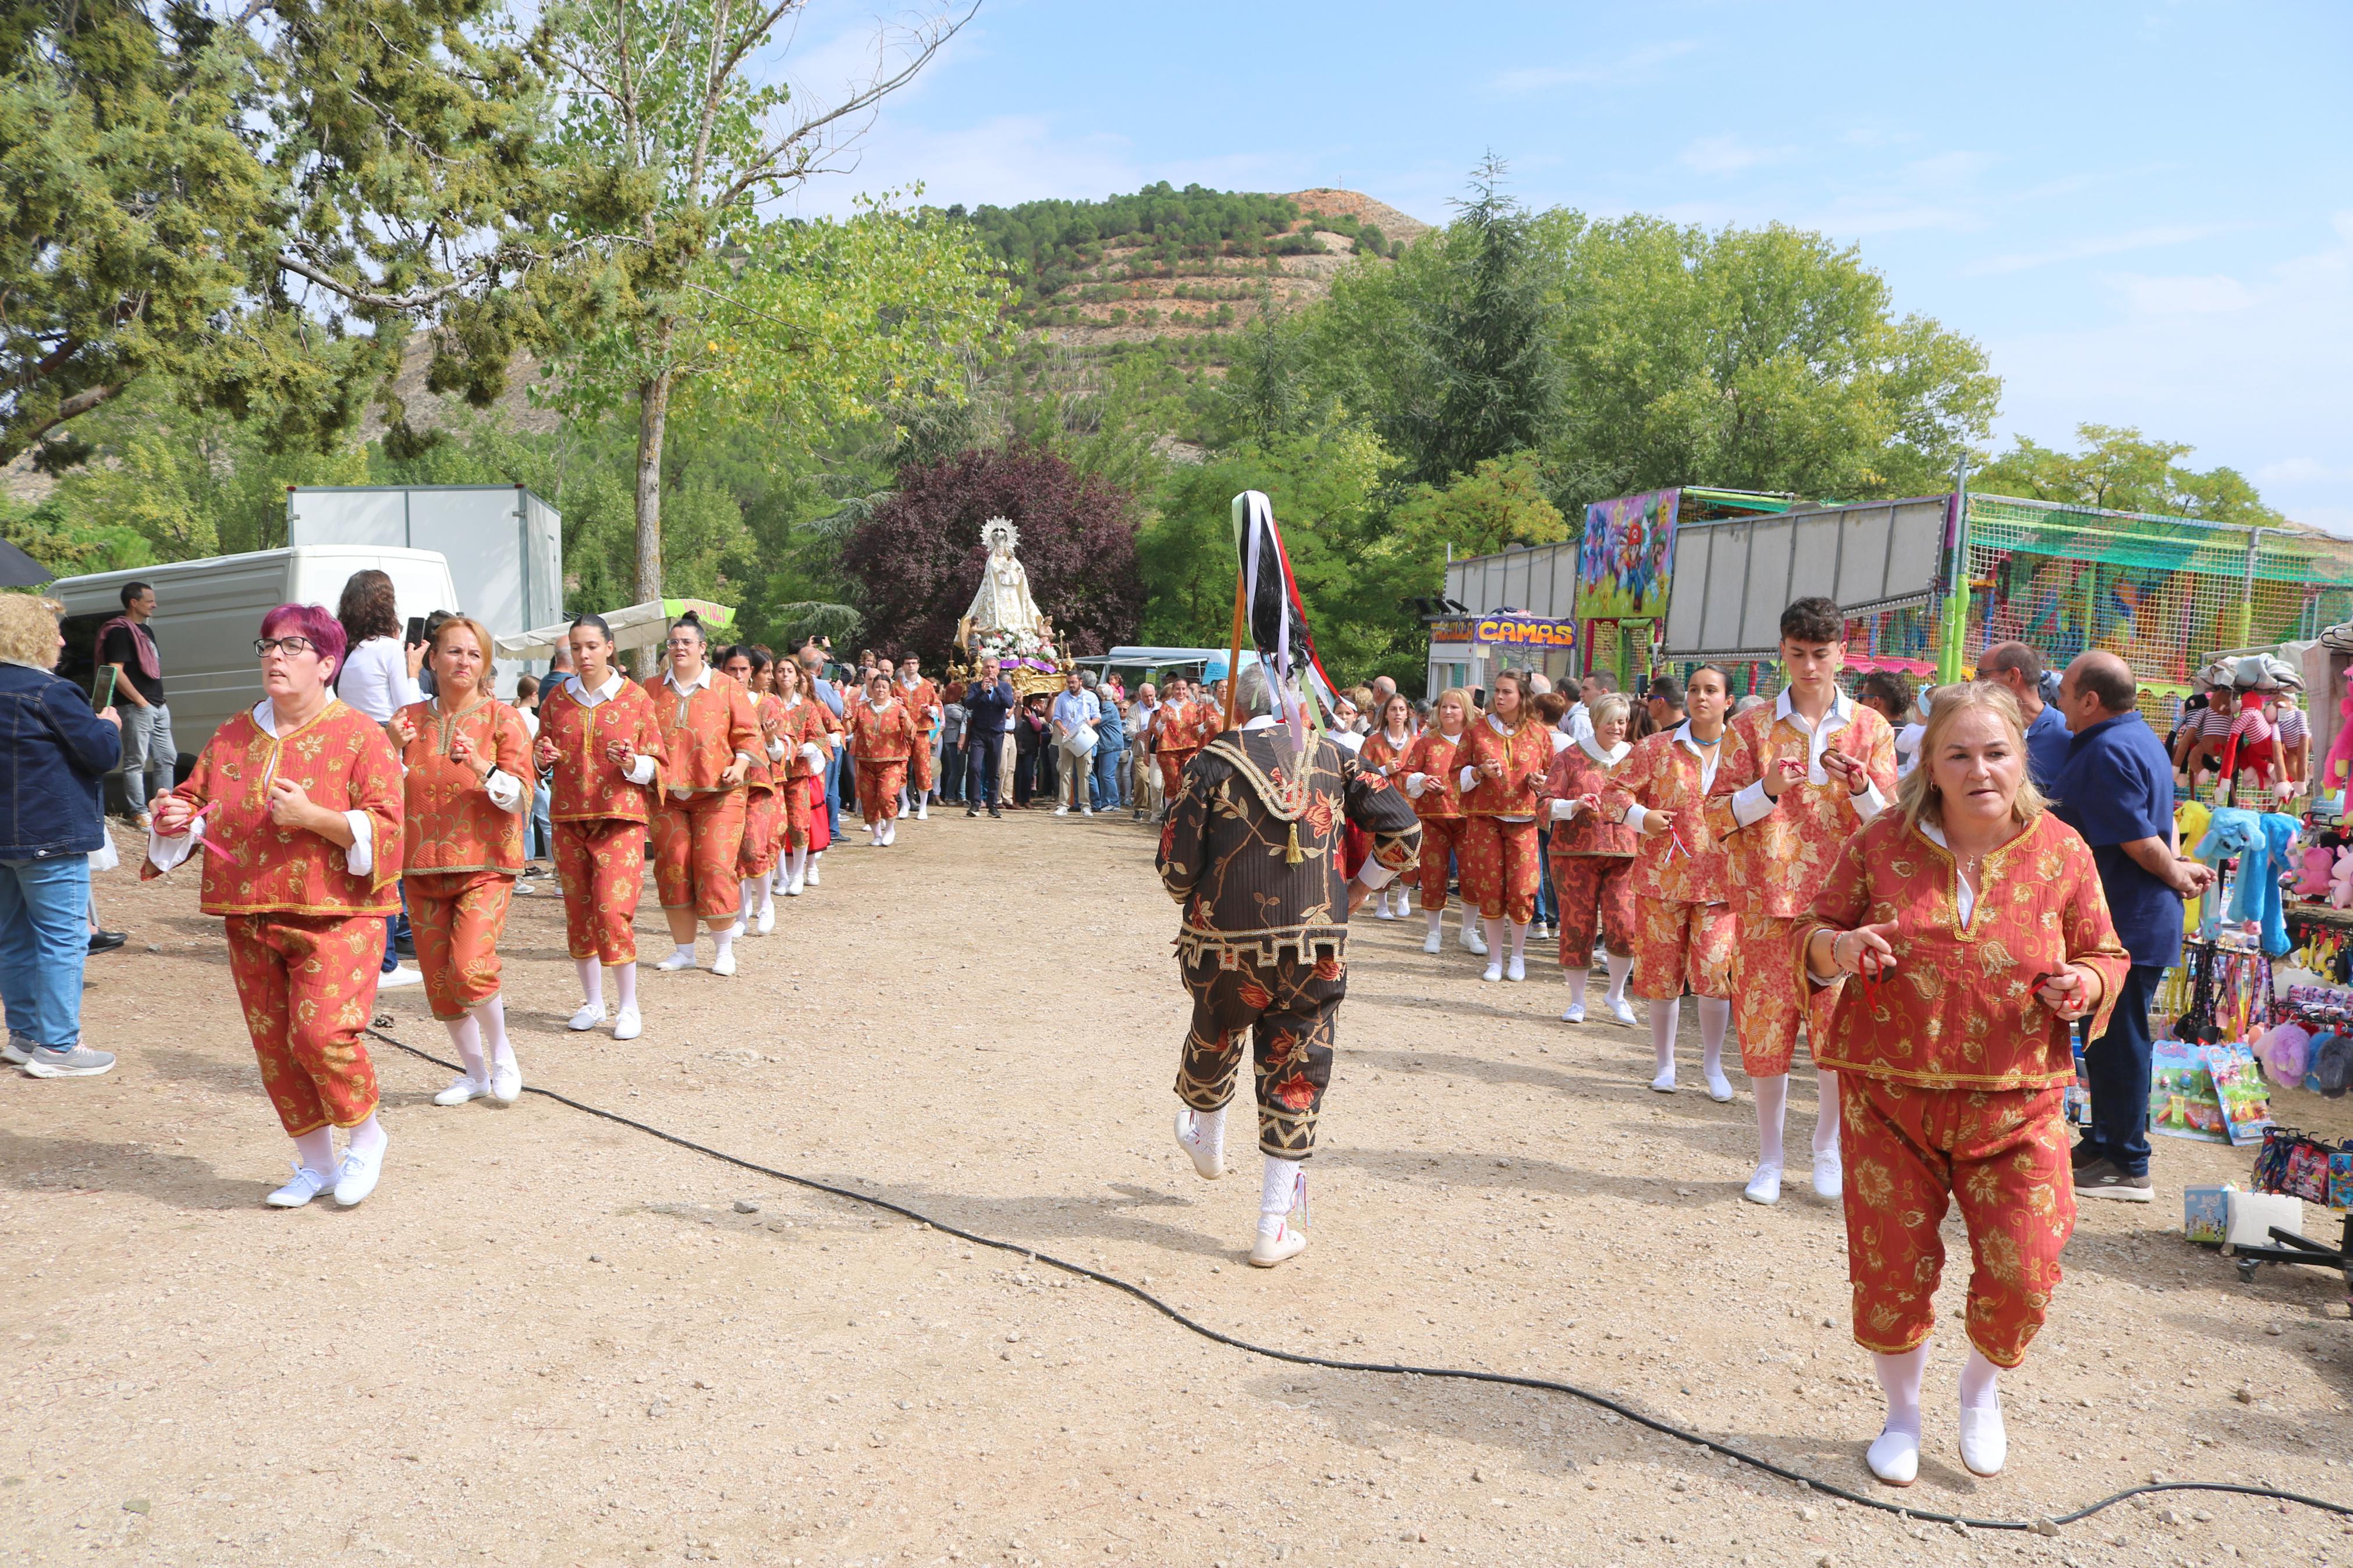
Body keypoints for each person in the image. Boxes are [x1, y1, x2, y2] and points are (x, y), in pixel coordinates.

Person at [1796, 681, 2129, 1486]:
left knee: (2024, 1267)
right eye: (1958, 754)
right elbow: (1811, 934)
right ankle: (1900, 1414)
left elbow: (2105, 952)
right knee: (1888, 1266)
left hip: (2018, 1101)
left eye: (1995, 751)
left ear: (2021, 758)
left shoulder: (2062, 851)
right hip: (1887, 1097)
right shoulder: (1879, 840)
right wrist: (1838, 953)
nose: (1979, 768)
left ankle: (1978, 1389)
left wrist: (2082, 985)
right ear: (1930, 767)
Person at [1159, 660, 1422, 1266]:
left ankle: (1205, 1131)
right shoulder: (1335, 757)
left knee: (1217, 1026)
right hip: (1314, 946)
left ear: (1236, 701)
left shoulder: (1208, 760)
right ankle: (1271, 1225)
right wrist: (1360, 886)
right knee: (1297, 1068)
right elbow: (1403, 832)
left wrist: (1199, 894)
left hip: (1226, 942)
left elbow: (1175, 872)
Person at [145, 603, 404, 1207]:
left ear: (327, 663)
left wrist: (317, 818)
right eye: (266, 647)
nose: (274, 657)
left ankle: (366, 1137)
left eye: (290, 647)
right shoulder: (235, 732)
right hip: (250, 912)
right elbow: (193, 802)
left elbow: (391, 828)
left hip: (340, 913)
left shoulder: (362, 735)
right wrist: (173, 815)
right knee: (275, 1047)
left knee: (319, 1035)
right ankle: (317, 1165)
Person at [1705, 596, 1898, 1208]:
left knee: (1838, 1036)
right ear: (1781, 652)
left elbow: (1891, 823)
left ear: (1841, 653)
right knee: (1764, 1032)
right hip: (1766, 903)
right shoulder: (1749, 727)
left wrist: (1861, 785)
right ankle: (1768, 1156)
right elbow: (1714, 815)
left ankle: (1826, 1148)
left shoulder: (1870, 728)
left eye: (1820, 654)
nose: (1809, 666)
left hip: (1844, 907)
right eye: (1797, 654)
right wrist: (1765, 790)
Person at [2051, 649, 2215, 1201]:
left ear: (2090, 700)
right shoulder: (2137, 736)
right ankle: (2102, 1141)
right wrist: (2180, 869)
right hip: (2126, 917)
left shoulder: (2109, 749)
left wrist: (2177, 876)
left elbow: (2141, 840)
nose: (2060, 700)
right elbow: (2158, 822)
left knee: (2118, 1042)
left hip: (2126, 921)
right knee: (2102, 1040)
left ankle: (2126, 1160)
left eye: (2067, 691)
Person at [388, 617, 533, 1106]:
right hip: (421, 864)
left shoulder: (503, 719)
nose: (462, 662)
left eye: (473, 654)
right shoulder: (406, 719)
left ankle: (503, 1055)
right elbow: (382, 789)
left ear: (485, 665)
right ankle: (472, 1073)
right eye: (453, 652)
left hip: (485, 863)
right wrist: (390, 748)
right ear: (432, 659)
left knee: (470, 967)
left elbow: (519, 797)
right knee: (440, 980)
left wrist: (479, 765)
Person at [1, 593, 121, 1078]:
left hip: (5, 838)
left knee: (13, 938)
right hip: (50, 834)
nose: (62, 639)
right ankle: (58, 1047)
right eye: (53, 630)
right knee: (63, 939)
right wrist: (108, 726)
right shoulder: (52, 692)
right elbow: (99, 754)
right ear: (31, 635)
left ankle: (24, 1036)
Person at [1603, 662, 1736, 1100]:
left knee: (1715, 975)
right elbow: (1613, 791)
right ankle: (1665, 1063)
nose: (1701, 697)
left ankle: (1713, 1065)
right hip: (1663, 879)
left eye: (1711, 690)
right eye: (1695, 689)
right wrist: (1641, 817)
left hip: (1722, 884)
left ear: (1727, 700)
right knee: (1661, 976)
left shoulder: (1745, 751)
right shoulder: (1657, 747)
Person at [535, 614, 664, 1040]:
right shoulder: (556, 699)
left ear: (610, 647)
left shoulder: (636, 699)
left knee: (611, 909)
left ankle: (628, 1006)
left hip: (620, 817)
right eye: (577, 647)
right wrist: (542, 759)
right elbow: (541, 751)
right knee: (579, 913)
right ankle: (592, 1001)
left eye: (591, 646)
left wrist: (632, 764)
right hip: (569, 817)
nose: (584, 654)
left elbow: (657, 763)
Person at [646, 613, 759, 976]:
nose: (679, 648)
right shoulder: (650, 688)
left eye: (686, 642)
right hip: (666, 795)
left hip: (719, 793)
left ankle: (724, 950)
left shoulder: (727, 687)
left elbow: (748, 733)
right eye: (673, 642)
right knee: (673, 867)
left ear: (702, 648)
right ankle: (684, 951)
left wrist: (741, 765)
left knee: (713, 866)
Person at [333, 568, 428, 989]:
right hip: (386, 748)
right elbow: (411, 710)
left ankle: (376, 952)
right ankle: (387, 960)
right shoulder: (391, 650)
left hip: (354, 749)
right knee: (390, 856)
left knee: (368, 853)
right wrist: (413, 669)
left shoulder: (352, 653)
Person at [1541, 691, 1637, 1025]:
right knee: (1577, 924)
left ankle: (1617, 994)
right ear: (1596, 721)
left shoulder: (1636, 757)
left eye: (1623, 722)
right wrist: (1574, 805)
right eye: (1611, 721)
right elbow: (1544, 804)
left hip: (1626, 854)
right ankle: (1577, 1001)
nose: (1617, 728)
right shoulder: (1569, 757)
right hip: (1574, 854)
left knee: (1624, 925)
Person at [1457, 667, 1553, 982]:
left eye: (1507, 691)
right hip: (1485, 818)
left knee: (1524, 889)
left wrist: (1541, 782)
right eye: (1497, 691)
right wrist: (1479, 771)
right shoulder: (1477, 730)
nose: (1499, 697)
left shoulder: (1539, 733)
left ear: (1522, 696)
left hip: (1524, 820)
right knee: (1490, 886)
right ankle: (1496, 960)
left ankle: (1518, 955)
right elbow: (1456, 774)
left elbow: (1554, 778)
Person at [1401, 688, 1479, 955]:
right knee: (1434, 875)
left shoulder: (1476, 741)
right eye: (1445, 707)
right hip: (1433, 817)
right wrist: (1421, 781)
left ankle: (1469, 930)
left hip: (1469, 818)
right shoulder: (1427, 742)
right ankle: (1434, 931)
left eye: (1455, 708)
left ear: (1465, 711)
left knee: (1471, 875)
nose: (1448, 712)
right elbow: (1408, 773)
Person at [96, 580, 173, 831]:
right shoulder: (120, 632)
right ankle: (139, 812)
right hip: (136, 707)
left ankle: (165, 810)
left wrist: (157, 700)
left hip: (158, 705)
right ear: (134, 602)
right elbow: (115, 671)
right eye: (150, 600)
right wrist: (140, 701)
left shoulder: (146, 631)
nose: (155, 605)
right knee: (135, 761)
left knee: (167, 757)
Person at [719, 645, 785, 935]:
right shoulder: (715, 701)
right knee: (732, 853)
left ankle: (765, 904)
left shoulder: (767, 704)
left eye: (743, 669)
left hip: (757, 785)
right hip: (724, 786)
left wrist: (770, 740)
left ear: (752, 672)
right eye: (731, 669)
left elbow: (780, 751)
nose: (737, 675)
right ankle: (742, 912)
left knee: (753, 846)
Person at [766, 656, 829, 895]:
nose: (784, 675)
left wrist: (809, 748)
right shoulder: (768, 704)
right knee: (777, 827)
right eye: (780, 671)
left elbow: (820, 736)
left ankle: (797, 874)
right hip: (773, 773)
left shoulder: (806, 706)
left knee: (799, 824)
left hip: (798, 773)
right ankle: (782, 877)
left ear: (797, 677)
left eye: (789, 671)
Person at [1978, 642, 2070, 792]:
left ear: (2013, 677)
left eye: (1982, 675)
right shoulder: (1980, 729)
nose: (1975, 682)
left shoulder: (2066, 735)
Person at [1360, 694, 1419, 919]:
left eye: (1401, 709)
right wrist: (1384, 770)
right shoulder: (1373, 742)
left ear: (1407, 713)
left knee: (1411, 848)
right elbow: (1362, 772)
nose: (1397, 713)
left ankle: (1403, 895)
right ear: (1386, 713)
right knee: (1381, 848)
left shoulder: (1416, 742)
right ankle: (1382, 903)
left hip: (1411, 804)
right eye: (1393, 709)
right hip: (1381, 804)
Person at [850, 670, 920, 844]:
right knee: (868, 798)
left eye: (884, 687)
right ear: (872, 689)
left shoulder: (898, 709)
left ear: (890, 690)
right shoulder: (861, 709)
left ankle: (889, 828)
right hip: (866, 760)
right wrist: (845, 719)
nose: (880, 690)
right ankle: (876, 834)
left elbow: (911, 733)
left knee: (886, 795)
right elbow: (849, 729)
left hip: (891, 760)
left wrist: (906, 719)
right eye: (877, 687)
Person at [962, 656, 1014, 819]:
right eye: (987, 667)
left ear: (998, 669)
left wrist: (997, 688)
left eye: (993, 667)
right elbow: (969, 704)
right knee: (975, 767)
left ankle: (993, 805)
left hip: (997, 733)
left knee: (994, 770)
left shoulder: (1005, 687)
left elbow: (1008, 703)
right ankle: (976, 804)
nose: (990, 670)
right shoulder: (975, 687)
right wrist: (982, 692)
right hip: (979, 733)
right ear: (982, 669)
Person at [1154, 676, 1210, 812]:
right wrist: (1163, 720)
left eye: (1183, 689)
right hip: (1168, 750)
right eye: (1178, 689)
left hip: (1189, 749)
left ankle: (1184, 814)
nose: (1181, 692)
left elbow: (1197, 729)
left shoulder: (1193, 707)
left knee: (1188, 782)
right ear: (1173, 690)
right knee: (1172, 783)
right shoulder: (1166, 707)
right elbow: (1156, 732)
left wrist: (1206, 725)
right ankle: (1170, 814)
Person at [1051, 669, 1101, 817]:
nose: (1071, 685)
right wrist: (1062, 728)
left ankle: (1085, 805)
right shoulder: (1062, 697)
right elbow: (1056, 717)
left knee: (1084, 772)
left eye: (1073, 682)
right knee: (1065, 771)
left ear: (1081, 681)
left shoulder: (1091, 697)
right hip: (1067, 738)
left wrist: (1091, 723)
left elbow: (1098, 716)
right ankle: (1063, 805)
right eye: (1069, 683)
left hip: (1084, 738)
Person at [1091, 680, 1129, 813]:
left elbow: (1098, 721)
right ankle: (1105, 801)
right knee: (1103, 774)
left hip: (1111, 745)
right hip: (1106, 745)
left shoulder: (1107, 706)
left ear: (1103, 695)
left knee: (1107, 775)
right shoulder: (1107, 705)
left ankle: (1113, 802)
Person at [1127, 681, 1162, 822]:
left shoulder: (1161, 707)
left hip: (1158, 750)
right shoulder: (1134, 709)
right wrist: (1136, 733)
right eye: (1146, 696)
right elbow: (1129, 727)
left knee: (1157, 783)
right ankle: (1140, 807)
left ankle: (1156, 810)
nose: (1149, 699)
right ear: (1141, 697)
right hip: (1141, 750)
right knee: (1142, 778)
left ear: (1155, 694)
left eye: (1151, 696)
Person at [939, 682, 968, 805]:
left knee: (962, 770)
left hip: (960, 740)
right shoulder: (950, 708)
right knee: (956, 770)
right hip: (953, 741)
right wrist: (970, 709)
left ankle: (962, 797)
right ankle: (949, 796)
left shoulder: (958, 706)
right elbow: (964, 718)